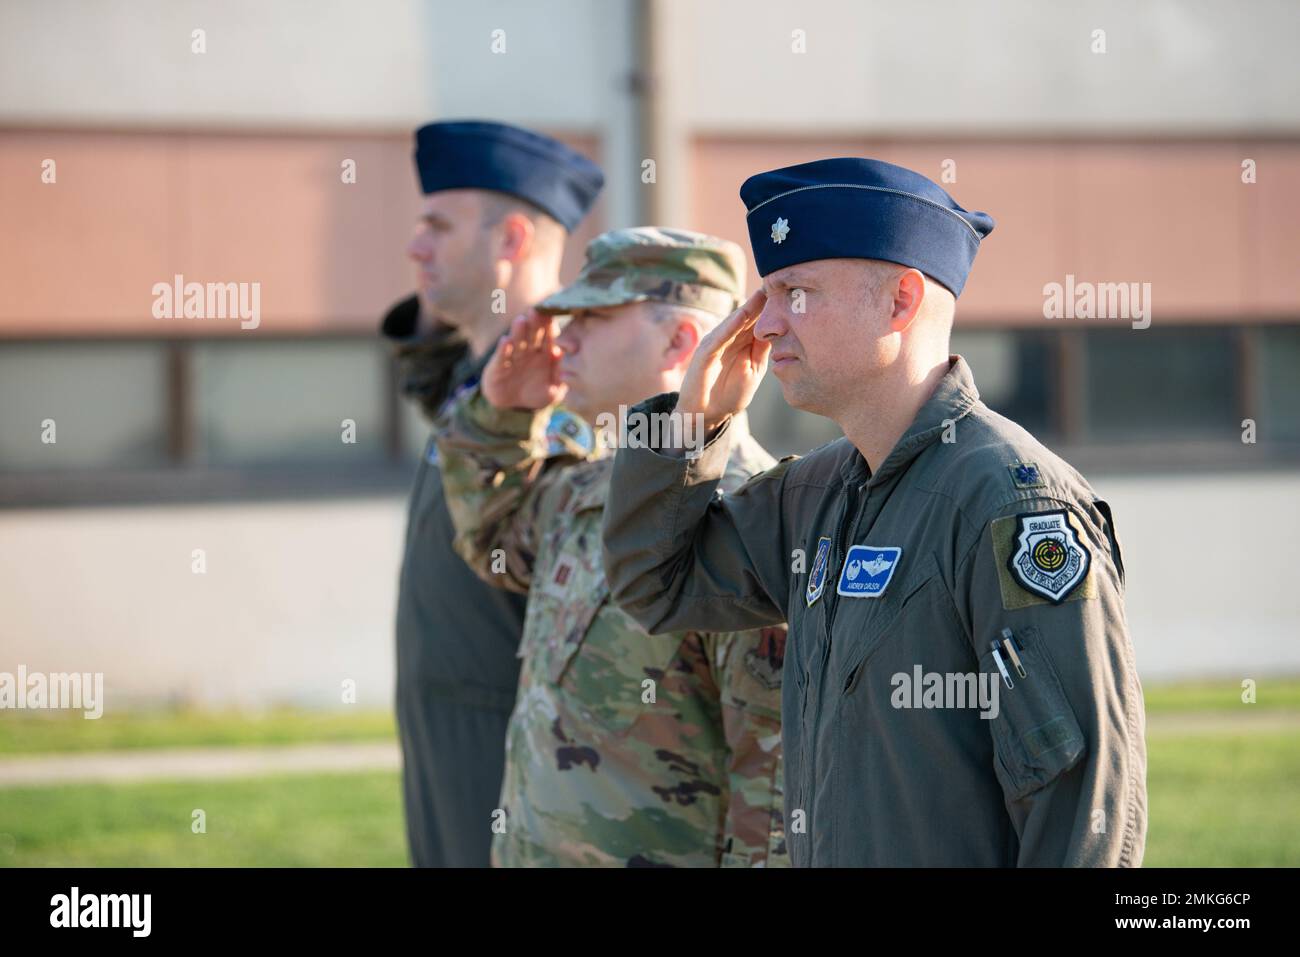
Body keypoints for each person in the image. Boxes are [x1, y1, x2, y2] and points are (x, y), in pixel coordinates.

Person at [600, 158, 1147, 867]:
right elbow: (654, 582)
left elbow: (1079, 804)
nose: (763, 326)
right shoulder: (818, 490)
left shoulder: (1012, 501)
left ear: (901, 300)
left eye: (796, 292)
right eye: (766, 295)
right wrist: (689, 427)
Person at [434, 228, 788, 867]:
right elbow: (491, 539)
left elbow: (771, 789)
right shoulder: (587, 487)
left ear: (681, 341)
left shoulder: (743, 518)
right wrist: (503, 417)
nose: (562, 338)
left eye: (592, 318)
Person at [382, 120, 602, 867]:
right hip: (447, 751)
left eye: (437, 227)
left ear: (511, 238)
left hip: (510, 760)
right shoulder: (472, 386)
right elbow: (420, 361)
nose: (415, 247)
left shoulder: (560, 403)